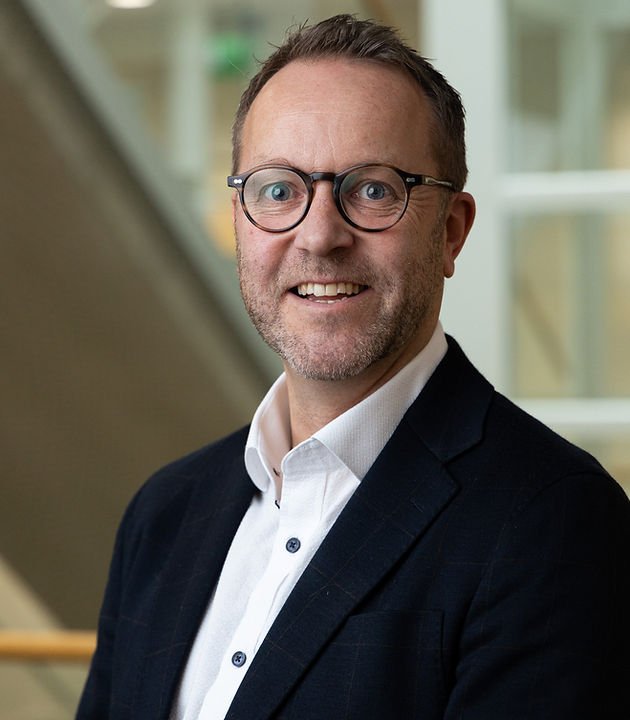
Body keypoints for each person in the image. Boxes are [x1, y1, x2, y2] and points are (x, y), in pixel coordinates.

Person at [77, 14, 630, 720]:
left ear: (451, 231)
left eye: (372, 189)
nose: (319, 235)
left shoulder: (553, 522)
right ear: (240, 219)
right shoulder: (165, 513)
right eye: (279, 190)